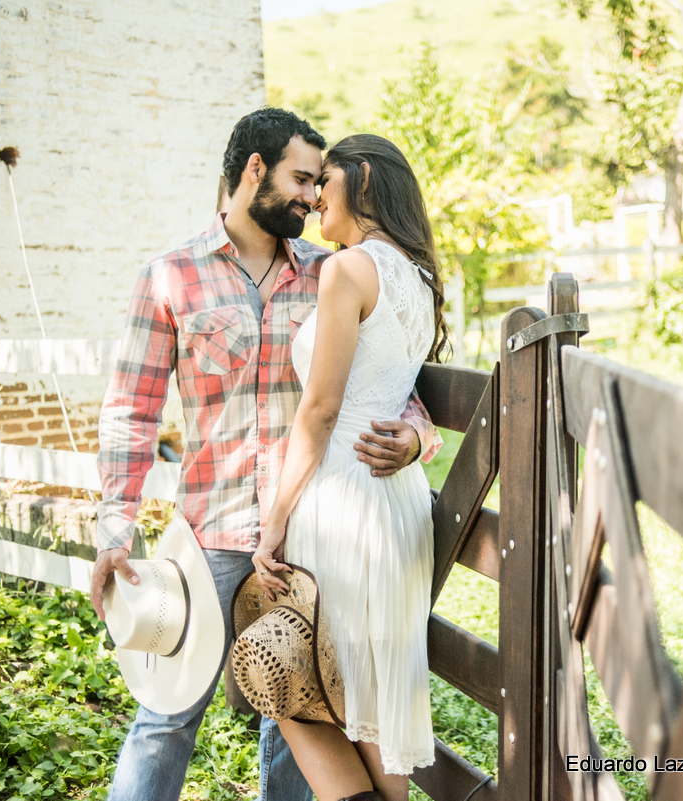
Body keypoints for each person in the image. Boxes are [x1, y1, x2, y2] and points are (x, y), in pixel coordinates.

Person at [90, 109, 442, 801]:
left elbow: (379, 378)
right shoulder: (170, 277)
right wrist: (114, 523)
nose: (313, 197)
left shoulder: (328, 270)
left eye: (321, 182)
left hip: (307, 535)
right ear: (256, 170)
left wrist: (417, 435)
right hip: (214, 536)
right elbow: (132, 411)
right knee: (166, 715)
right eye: (301, 179)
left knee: (298, 712)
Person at [251, 134, 445, 801]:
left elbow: (321, 410)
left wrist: (274, 522)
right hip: (395, 505)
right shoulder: (416, 276)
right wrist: (420, 437)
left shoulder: (348, 269)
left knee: (297, 686)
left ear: (360, 178)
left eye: (323, 180)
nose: (311, 198)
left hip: (342, 499)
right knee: (365, 707)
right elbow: (394, 388)